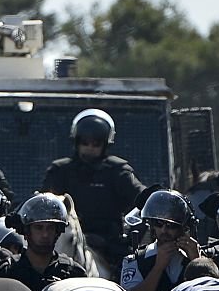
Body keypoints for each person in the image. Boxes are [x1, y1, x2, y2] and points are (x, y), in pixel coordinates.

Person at [42, 109, 146, 272]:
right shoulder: (60, 171)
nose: (89, 148)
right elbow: (44, 204)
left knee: (132, 273)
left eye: (96, 143)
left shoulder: (118, 171)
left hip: (110, 245)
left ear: (105, 144)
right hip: (63, 238)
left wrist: (133, 235)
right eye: (84, 142)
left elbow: (144, 200)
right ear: (76, 142)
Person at [119, 189, 200, 291]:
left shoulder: (196, 256)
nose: (164, 231)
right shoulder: (135, 260)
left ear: (183, 227)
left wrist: (197, 262)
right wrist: (158, 268)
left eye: (171, 226)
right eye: (158, 223)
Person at [0, 193, 86, 291]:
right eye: (39, 227)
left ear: (58, 231)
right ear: (26, 230)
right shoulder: (7, 272)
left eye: (50, 228)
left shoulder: (74, 273)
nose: (45, 234)